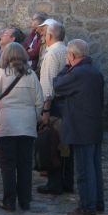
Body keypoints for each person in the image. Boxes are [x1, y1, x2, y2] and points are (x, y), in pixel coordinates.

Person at [51, 39, 105, 215]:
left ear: (72, 55)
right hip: (93, 125)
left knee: (84, 169)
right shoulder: (94, 71)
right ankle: (97, 202)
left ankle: (87, 206)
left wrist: (66, 67)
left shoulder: (78, 73)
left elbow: (57, 85)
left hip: (81, 127)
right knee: (94, 167)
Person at [0, 43, 44, 211]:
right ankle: (25, 200)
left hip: (5, 123)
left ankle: (9, 201)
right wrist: (33, 118)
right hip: (26, 125)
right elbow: (39, 101)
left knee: (7, 165)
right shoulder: (31, 75)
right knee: (25, 164)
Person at [37, 21, 72, 195]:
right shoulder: (67, 50)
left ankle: (55, 183)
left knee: (53, 143)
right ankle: (67, 181)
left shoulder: (51, 54)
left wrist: (45, 110)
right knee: (65, 146)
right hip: (67, 104)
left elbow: (48, 85)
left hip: (55, 106)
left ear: (50, 36)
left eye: (45, 34)